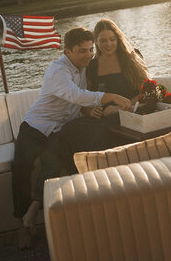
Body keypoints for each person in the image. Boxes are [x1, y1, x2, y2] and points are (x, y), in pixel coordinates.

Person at [12, 26, 132, 248]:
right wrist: (112, 97)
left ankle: (65, 218)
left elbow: (81, 102)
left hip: (61, 128)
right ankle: (23, 226)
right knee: (21, 165)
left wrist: (88, 110)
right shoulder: (58, 71)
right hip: (36, 127)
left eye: (89, 50)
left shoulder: (87, 67)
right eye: (81, 51)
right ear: (67, 52)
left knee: (59, 161)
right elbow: (75, 95)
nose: (88, 55)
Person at [51, 18, 149, 171]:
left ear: (118, 38)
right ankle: (73, 175)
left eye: (112, 39)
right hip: (103, 116)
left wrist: (120, 108)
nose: (108, 44)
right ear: (96, 41)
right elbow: (84, 96)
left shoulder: (132, 57)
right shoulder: (92, 65)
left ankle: (101, 170)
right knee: (68, 130)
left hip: (131, 113)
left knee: (99, 135)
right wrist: (89, 110)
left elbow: (148, 90)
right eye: (103, 40)